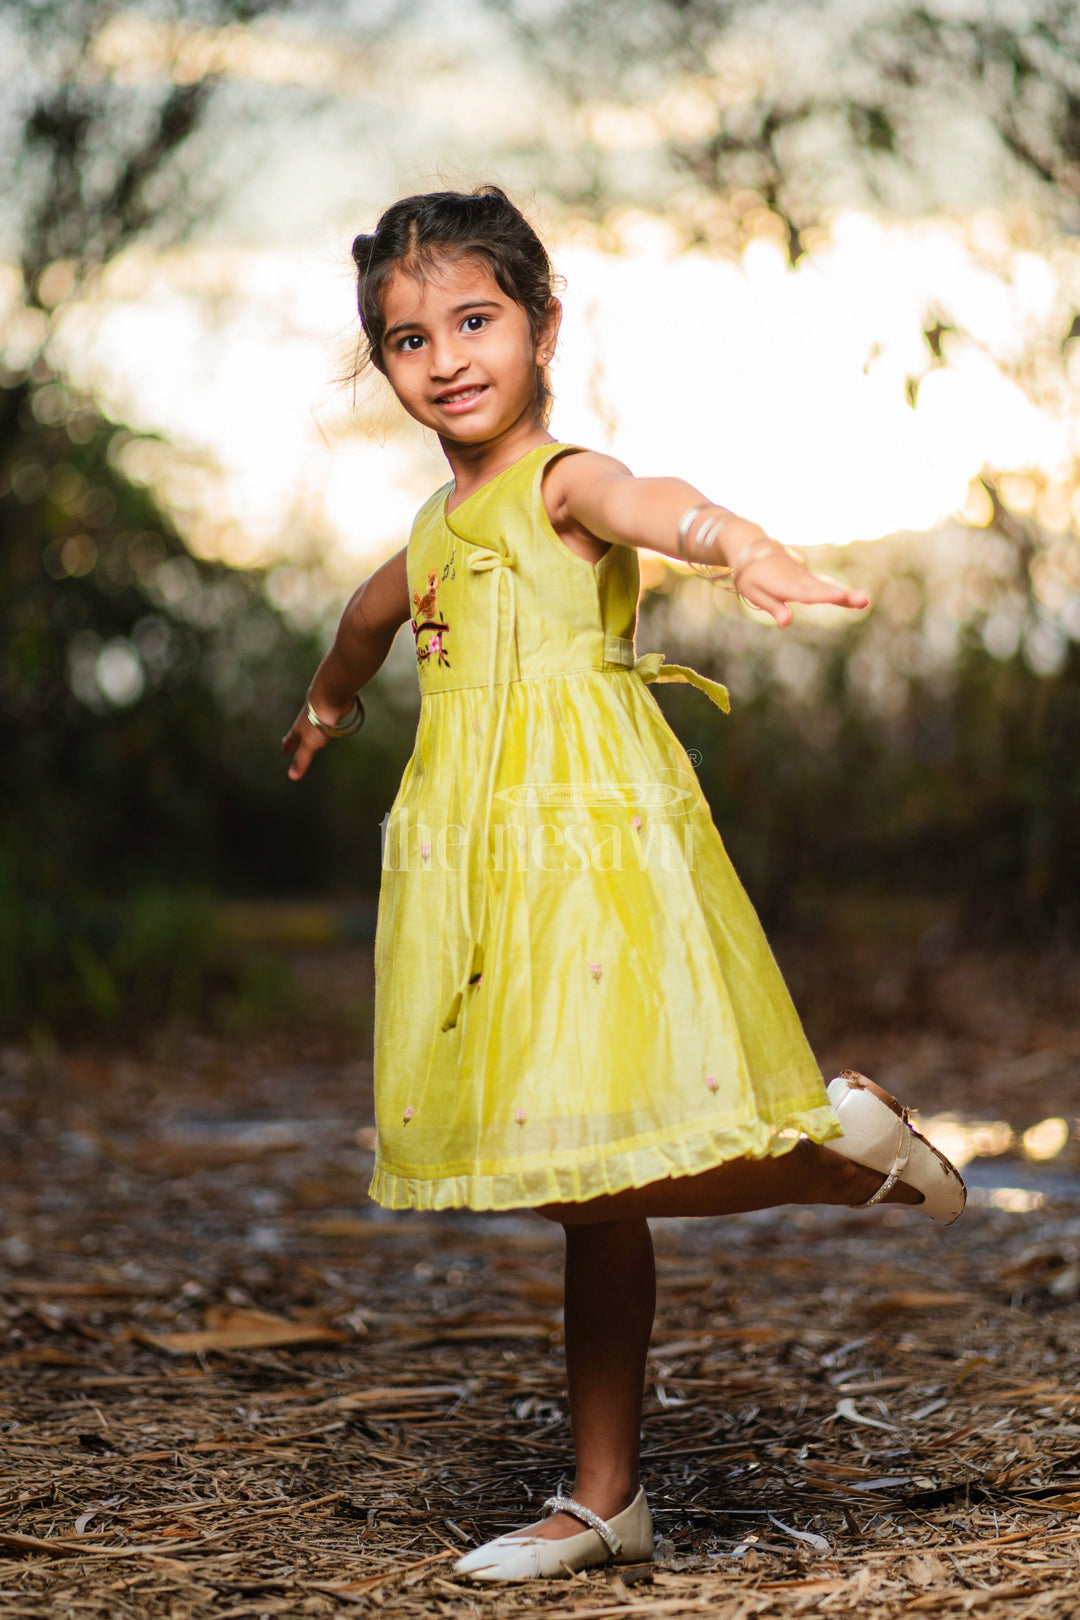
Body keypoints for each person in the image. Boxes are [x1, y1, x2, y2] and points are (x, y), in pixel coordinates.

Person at [281, 185, 966, 1583]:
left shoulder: (561, 480)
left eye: (476, 319)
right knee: (577, 1182)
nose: (448, 356)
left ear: (540, 325)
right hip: (479, 873)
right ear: (385, 364)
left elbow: (658, 506)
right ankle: (610, 1501)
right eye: (409, 339)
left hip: (589, 851)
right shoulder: (427, 535)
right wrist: (327, 709)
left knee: (606, 1159)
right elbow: (362, 623)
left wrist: (744, 547)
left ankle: (836, 1164)